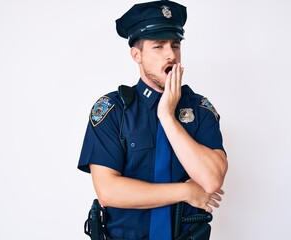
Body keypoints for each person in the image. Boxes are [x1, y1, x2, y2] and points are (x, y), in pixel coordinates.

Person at [78, 1, 228, 239]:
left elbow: (211, 180)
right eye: (158, 46)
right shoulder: (112, 110)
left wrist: (167, 117)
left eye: (175, 45)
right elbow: (108, 191)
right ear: (137, 55)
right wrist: (184, 191)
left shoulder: (199, 108)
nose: (171, 54)